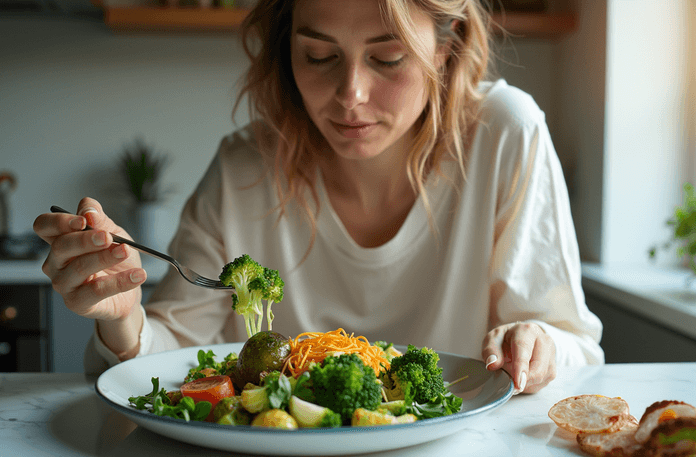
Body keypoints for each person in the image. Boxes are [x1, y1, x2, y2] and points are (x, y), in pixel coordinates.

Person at [33, 0, 603, 394]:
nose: (350, 94)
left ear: (445, 48)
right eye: (318, 55)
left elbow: (571, 344)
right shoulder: (244, 167)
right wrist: (123, 316)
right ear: (287, 51)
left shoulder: (506, 132)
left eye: (388, 57)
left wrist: (538, 343)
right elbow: (166, 356)